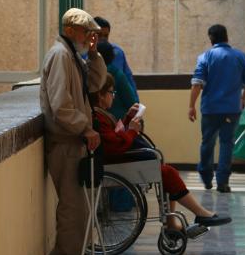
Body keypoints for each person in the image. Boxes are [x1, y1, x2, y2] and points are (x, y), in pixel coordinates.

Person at [90, 74, 231, 230]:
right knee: (167, 173)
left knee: (166, 171)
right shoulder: (97, 117)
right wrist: (131, 132)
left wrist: (128, 118)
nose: (113, 96)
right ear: (100, 95)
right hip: (115, 162)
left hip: (116, 159)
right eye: (111, 92)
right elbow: (114, 145)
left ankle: (175, 221)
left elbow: (115, 135)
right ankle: (199, 214)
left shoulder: (100, 114)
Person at [40, 8, 107, 255]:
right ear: (69, 30)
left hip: (73, 142)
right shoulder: (60, 56)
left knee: (78, 206)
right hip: (66, 142)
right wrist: (84, 127)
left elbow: (94, 84)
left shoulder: (72, 56)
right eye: (85, 32)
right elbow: (60, 105)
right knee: (72, 207)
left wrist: (94, 53)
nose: (89, 37)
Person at [189, 24, 245, 193]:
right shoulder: (240, 56)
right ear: (227, 36)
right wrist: (243, 98)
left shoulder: (205, 57)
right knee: (227, 144)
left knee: (207, 142)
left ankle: (206, 178)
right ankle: (223, 182)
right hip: (232, 109)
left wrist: (191, 106)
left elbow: (197, 84)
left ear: (210, 39)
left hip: (210, 109)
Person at [94, 16, 139, 102]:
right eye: (99, 35)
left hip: (118, 104)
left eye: (106, 36)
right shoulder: (84, 55)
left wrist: (137, 106)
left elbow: (129, 80)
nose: (103, 39)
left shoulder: (117, 53)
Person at [96, 41, 138, 120]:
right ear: (113, 56)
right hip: (118, 122)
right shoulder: (117, 75)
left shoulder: (90, 73)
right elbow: (132, 102)